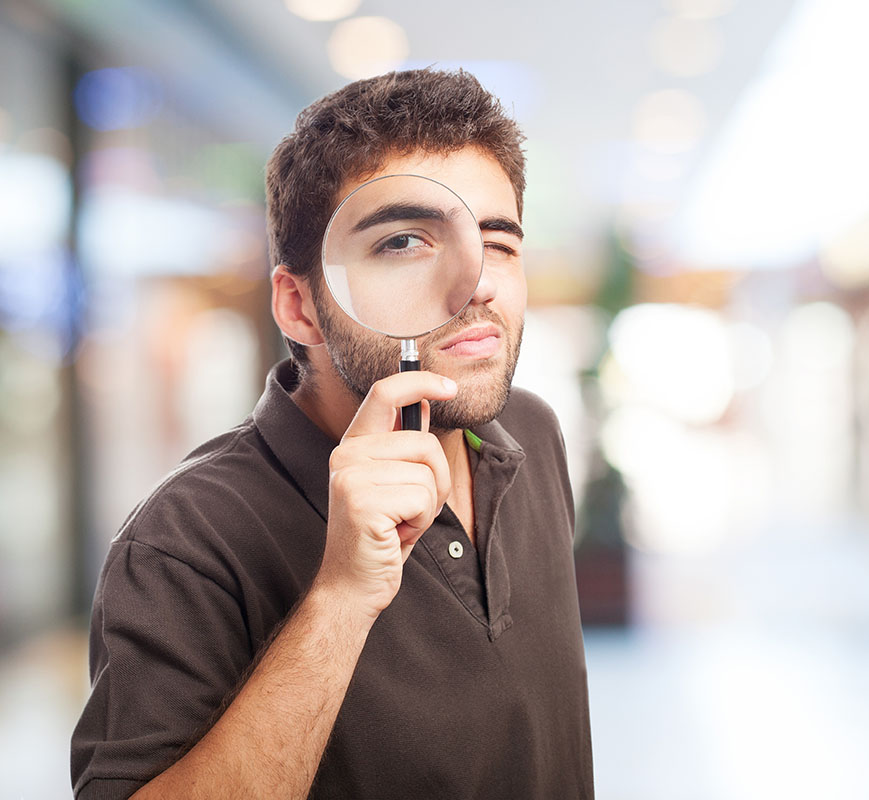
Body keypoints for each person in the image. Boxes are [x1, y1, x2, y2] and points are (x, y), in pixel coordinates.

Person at [70, 69, 594, 799]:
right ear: (300, 307)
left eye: (498, 243)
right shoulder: (186, 538)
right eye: (406, 242)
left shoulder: (529, 434)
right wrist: (343, 597)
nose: (476, 282)